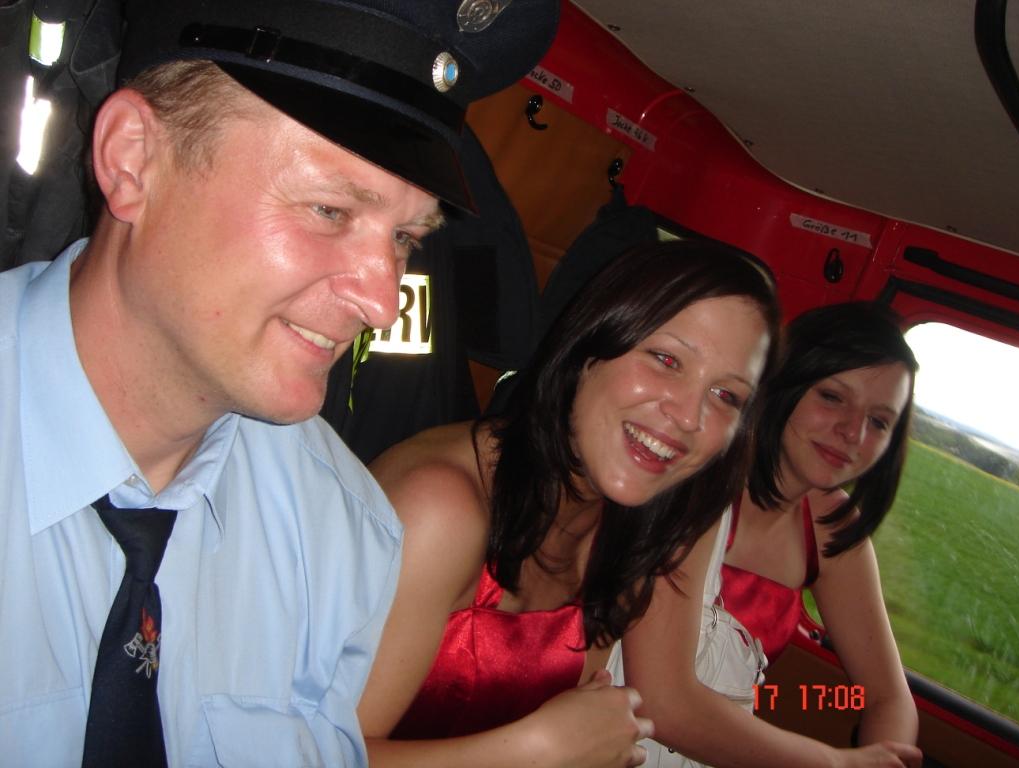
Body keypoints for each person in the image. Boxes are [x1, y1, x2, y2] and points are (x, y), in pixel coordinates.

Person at [0, 0, 559, 765]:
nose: (382, 301)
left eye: (405, 238)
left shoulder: (343, 533)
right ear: (134, 160)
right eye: (330, 209)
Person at [356, 238, 781, 767]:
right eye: (667, 360)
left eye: (726, 396)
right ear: (588, 349)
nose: (690, 417)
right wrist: (537, 751)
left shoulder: (628, 528)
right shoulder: (441, 509)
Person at [627, 301, 924, 768]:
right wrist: (833, 763)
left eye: (879, 421)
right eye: (832, 397)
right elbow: (663, 704)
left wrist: (885, 757)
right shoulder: (700, 479)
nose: (853, 433)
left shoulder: (831, 528)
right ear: (786, 382)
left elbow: (889, 698)